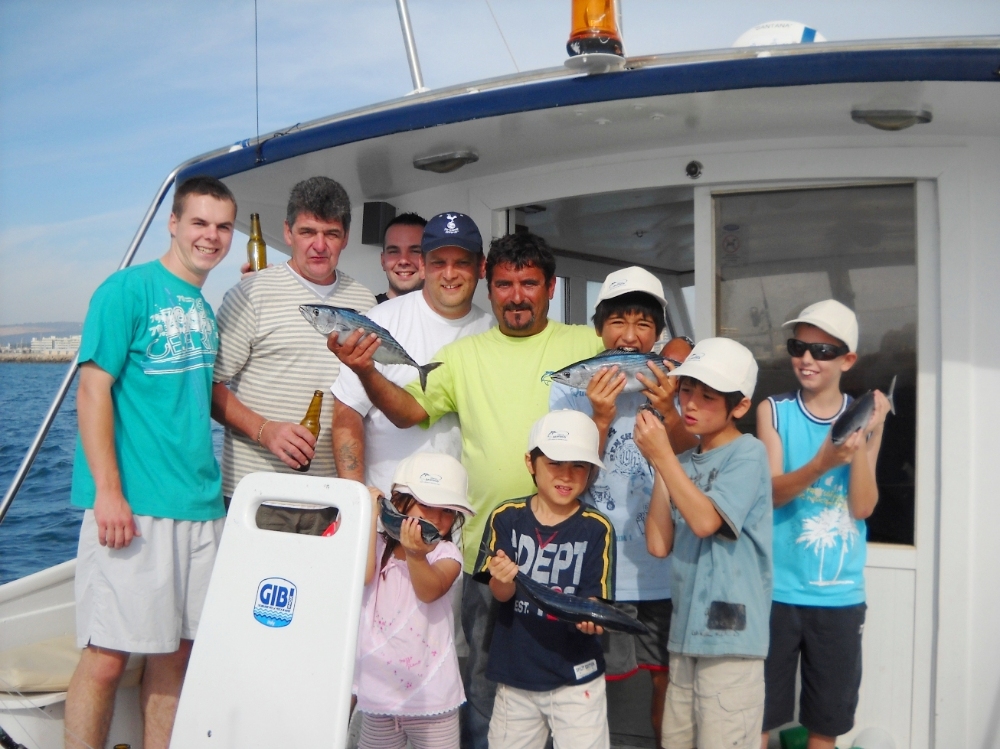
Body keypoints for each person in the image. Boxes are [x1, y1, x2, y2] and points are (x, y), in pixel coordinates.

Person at [326, 231, 603, 748]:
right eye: (504, 284)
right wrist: (365, 370)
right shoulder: (464, 353)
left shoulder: (584, 346)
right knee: (483, 683)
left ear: (551, 287)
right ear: (487, 284)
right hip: (484, 553)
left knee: (567, 690)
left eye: (528, 284)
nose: (516, 295)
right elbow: (407, 411)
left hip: (568, 553)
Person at [64, 176, 237, 749]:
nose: (210, 236)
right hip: (133, 509)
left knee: (177, 655)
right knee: (107, 659)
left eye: (222, 227)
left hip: (199, 506)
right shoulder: (126, 291)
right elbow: (93, 391)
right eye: (199, 223)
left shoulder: (205, 309)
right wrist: (109, 493)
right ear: (173, 222)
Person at [548, 266, 696, 746]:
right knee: (590, 689)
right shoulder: (571, 389)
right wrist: (600, 416)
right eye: (618, 322)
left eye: (643, 324)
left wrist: (670, 409)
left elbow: (692, 458)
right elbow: (564, 478)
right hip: (597, 569)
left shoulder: (676, 385)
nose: (629, 337)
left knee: (666, 684)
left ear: (658, 334)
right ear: (598, 327)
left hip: (663, 567)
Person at [756, 300, 890, 749]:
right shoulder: (773, 411)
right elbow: (772, 492)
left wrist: (870, 435)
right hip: (776, 592)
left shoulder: (865, 414)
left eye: (823, 350)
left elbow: (862, 507)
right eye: (799, 346)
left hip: (839, 596)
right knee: (756, 718)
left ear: (847, 360)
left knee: (824, 726)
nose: (808, 359)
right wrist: (824, 461)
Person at [211, 176, 376, 534]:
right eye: (307, 232)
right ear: (287, 233)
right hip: (257, 500)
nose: (319, 245)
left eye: (331, 233)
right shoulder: (251, 293)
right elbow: (206, 386)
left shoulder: (364, 302)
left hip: (333, 501)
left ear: (345, 237)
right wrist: (264, 431)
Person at [634, 337, 773, 749]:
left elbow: (705, 521)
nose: (690, 404)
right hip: (684, 636)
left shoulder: (749, 453)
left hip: (732, 642)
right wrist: (665, 462)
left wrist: (663, 455)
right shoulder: (682, 462)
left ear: (740, 406)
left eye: (707, 396)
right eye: (687, 391)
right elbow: (659, 544)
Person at [474, 409, 614, 749]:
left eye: (578, 465)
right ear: (530, 462)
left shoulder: (598, 527)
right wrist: (504, 579)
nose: (566, 475)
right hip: (516, 676)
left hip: (577, 678)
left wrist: (591, 616)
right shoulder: (506, 517)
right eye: (554, 463)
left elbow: (593, 597)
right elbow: (501, 594)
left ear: (592, 470)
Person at [332, 212, 492, 495]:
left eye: (462, 263)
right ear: (422, 265)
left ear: (481, 267)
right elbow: (347, 412)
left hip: (462, 513)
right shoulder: (380, 320)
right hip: (387, 509)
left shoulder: (492, 332)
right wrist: (355, 499)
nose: (450, 273)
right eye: (438, 263)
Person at [354, 452, 475, 749]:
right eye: (428, 505)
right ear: (398, 502)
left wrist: (416, 554)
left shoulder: (446, 554)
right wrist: (371, 516)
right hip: (378, 694)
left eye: (448, 511)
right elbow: (364, 576)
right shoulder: (377, 545)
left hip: (432, 698)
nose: (437, 518)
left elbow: (429, 589)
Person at [375, 212, 427, 304]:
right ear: (383, 261)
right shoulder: (366, 312)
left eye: (415, 251)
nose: (403, 260)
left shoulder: (449, 314)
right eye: (394, 252)